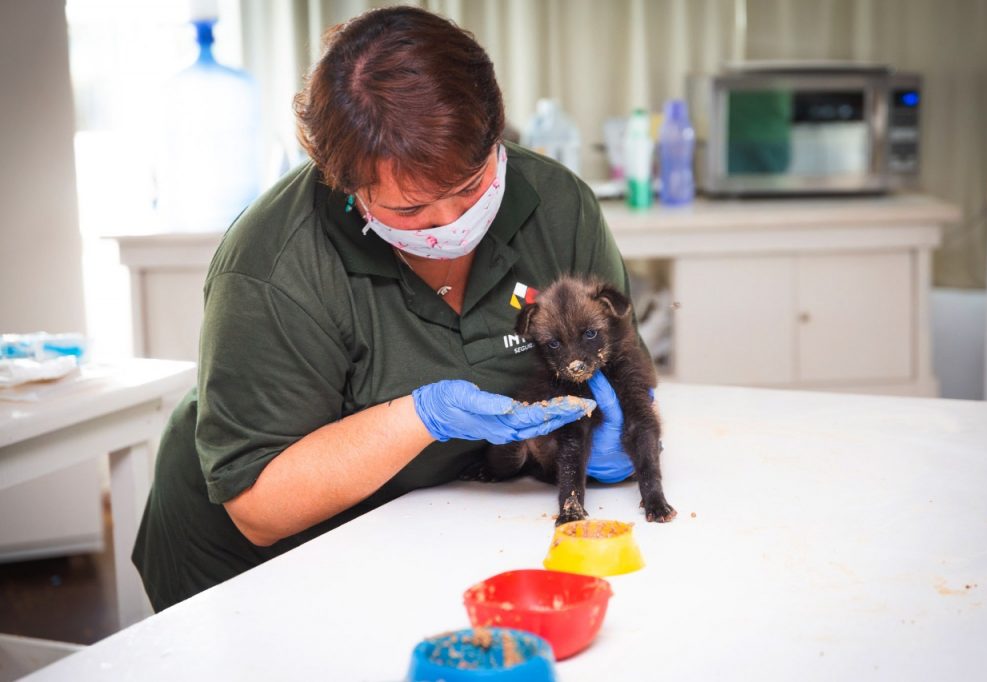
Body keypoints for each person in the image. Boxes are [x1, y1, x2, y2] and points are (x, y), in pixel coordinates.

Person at [132, 5, 639, 611]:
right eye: (409, 211)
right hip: (254, 562)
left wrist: (615, 435)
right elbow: (259, 508)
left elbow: (616, 367)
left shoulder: (559, 209)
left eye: (470, 187)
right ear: (340, 180)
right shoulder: (272, 265)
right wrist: (420, 417)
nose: (453, 224)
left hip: (431, 527)